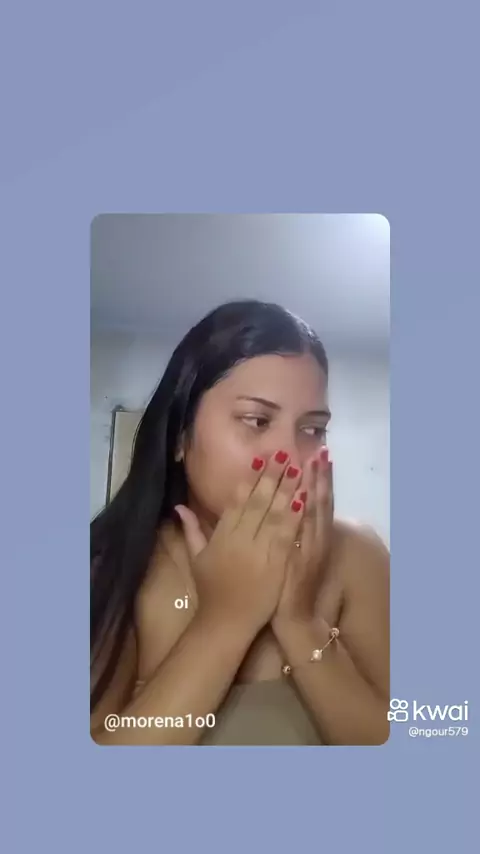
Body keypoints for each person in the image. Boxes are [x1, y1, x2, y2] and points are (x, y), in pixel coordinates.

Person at [90, 299, 390, 746]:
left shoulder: (355, 556)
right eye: (256, 420)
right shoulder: (114, 566)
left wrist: (301, 622)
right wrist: (225, 618)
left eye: (312, 429)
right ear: (179, 436)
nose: (289, 458)